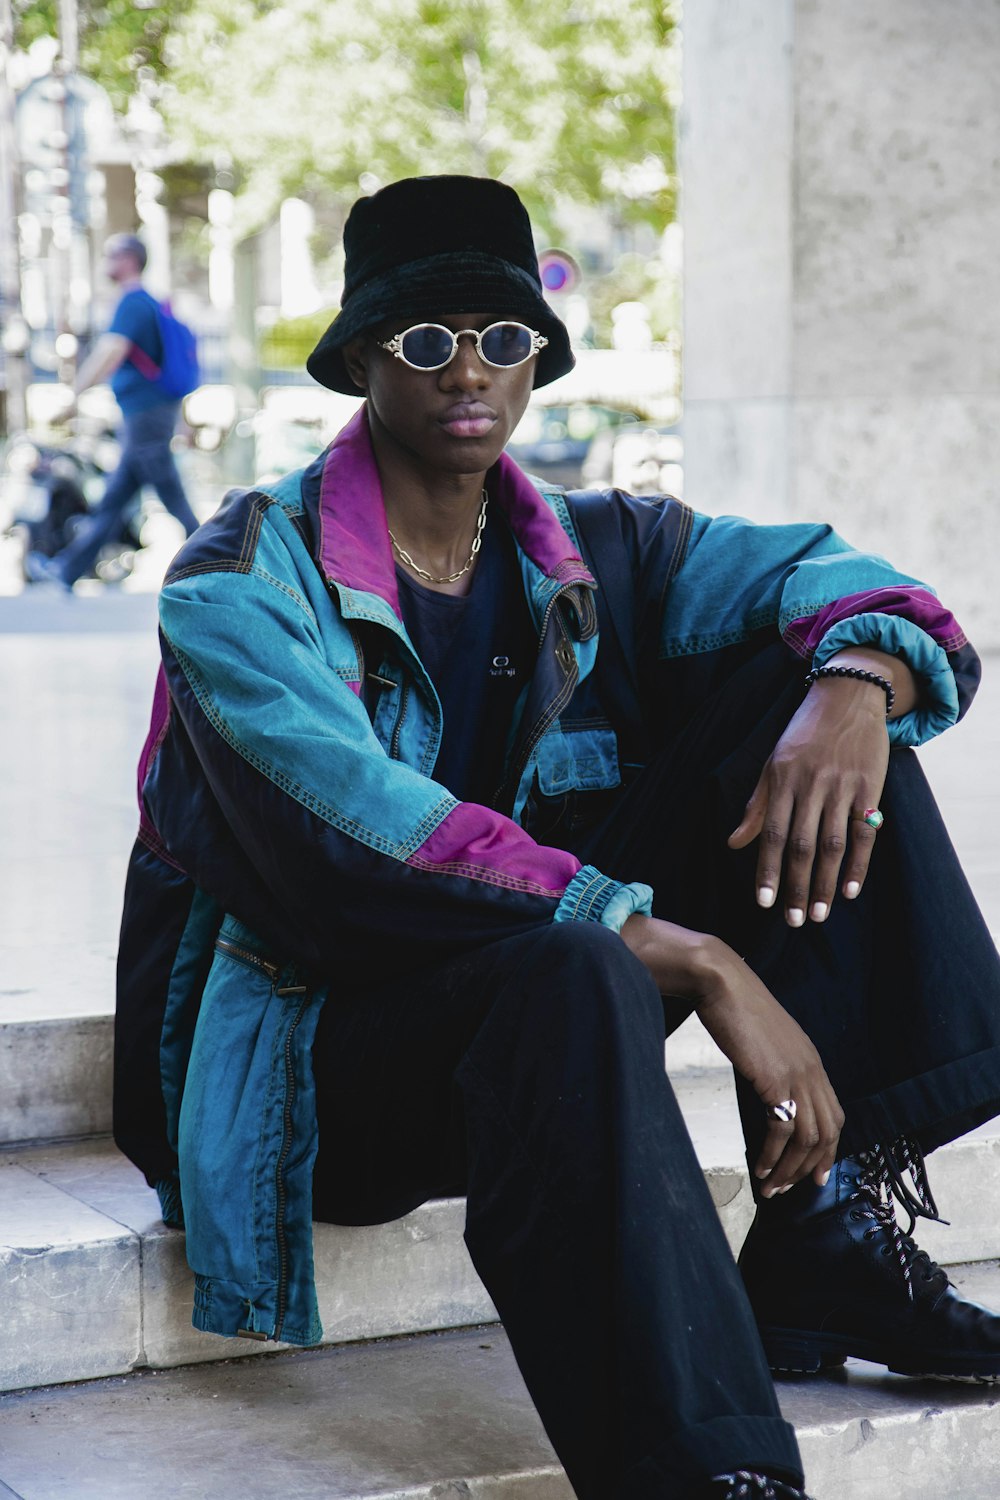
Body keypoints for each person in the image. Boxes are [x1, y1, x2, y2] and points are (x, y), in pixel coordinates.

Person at [113, 176, 1000, 1500]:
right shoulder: (241, 579)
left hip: (532, 1016)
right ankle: (701, 1474)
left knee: (805, 696)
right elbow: (353, 842)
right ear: (363, 360)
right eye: (426, 340)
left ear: (541, 359)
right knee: (578, 959)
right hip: (315, 1060)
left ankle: (825, 1222)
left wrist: (855, 688)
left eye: (504, 336)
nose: (469, 369)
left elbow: (844, 579)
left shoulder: (606, 548)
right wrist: (688, 954)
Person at [26, 233, 200, 589]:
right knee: (114, 499)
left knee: (172, 498)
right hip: (148, 413)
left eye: (112, 255)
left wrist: (72, 397)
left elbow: (111, 352)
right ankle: (67, 569)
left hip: (145, 415)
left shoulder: (133, 303)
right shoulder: (148, 303)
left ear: (130, 260)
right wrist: (181, 421)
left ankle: (222, 559)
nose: (105, 261)